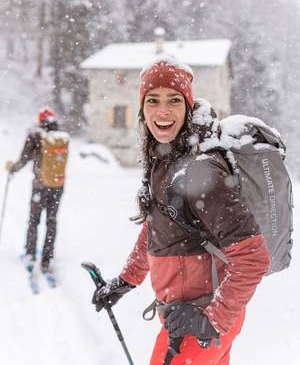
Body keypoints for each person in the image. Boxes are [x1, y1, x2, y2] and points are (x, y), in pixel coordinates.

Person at [91, 56, 270, 365]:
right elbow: (156, 227)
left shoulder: (202, 170)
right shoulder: (169, 159)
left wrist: (211, 320)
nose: (162, 111)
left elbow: (253, 258)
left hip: (201, 324)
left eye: (174, 100)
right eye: (153, 100)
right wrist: (125, 282)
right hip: (189, 321)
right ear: (142, 108)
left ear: (187, 107)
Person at [6, 108, 69, 274]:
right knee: (51, 221)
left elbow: (24, 158)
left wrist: (13, 169)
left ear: (40, 120)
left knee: (34, 220)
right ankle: (47, 258)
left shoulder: (35, 136)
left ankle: (30, 253)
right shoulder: (61, 136)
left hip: (39, 187)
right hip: (57, 186)